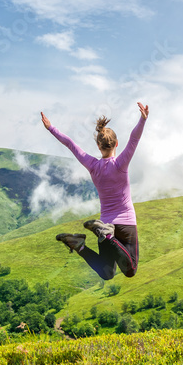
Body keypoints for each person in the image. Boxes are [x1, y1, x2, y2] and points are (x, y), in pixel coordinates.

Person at [40, 102, 149, 280]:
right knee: (131, 270)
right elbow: (134, 139)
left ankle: (79, 245)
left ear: (98, 146)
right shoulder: (121, 163)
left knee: (107, 273)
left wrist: (51, 128)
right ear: (116, 144)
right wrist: (143, 119)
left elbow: (70, 144)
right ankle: (106, 235)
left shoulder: (92, 165)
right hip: (125, 222)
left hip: (106, 220)